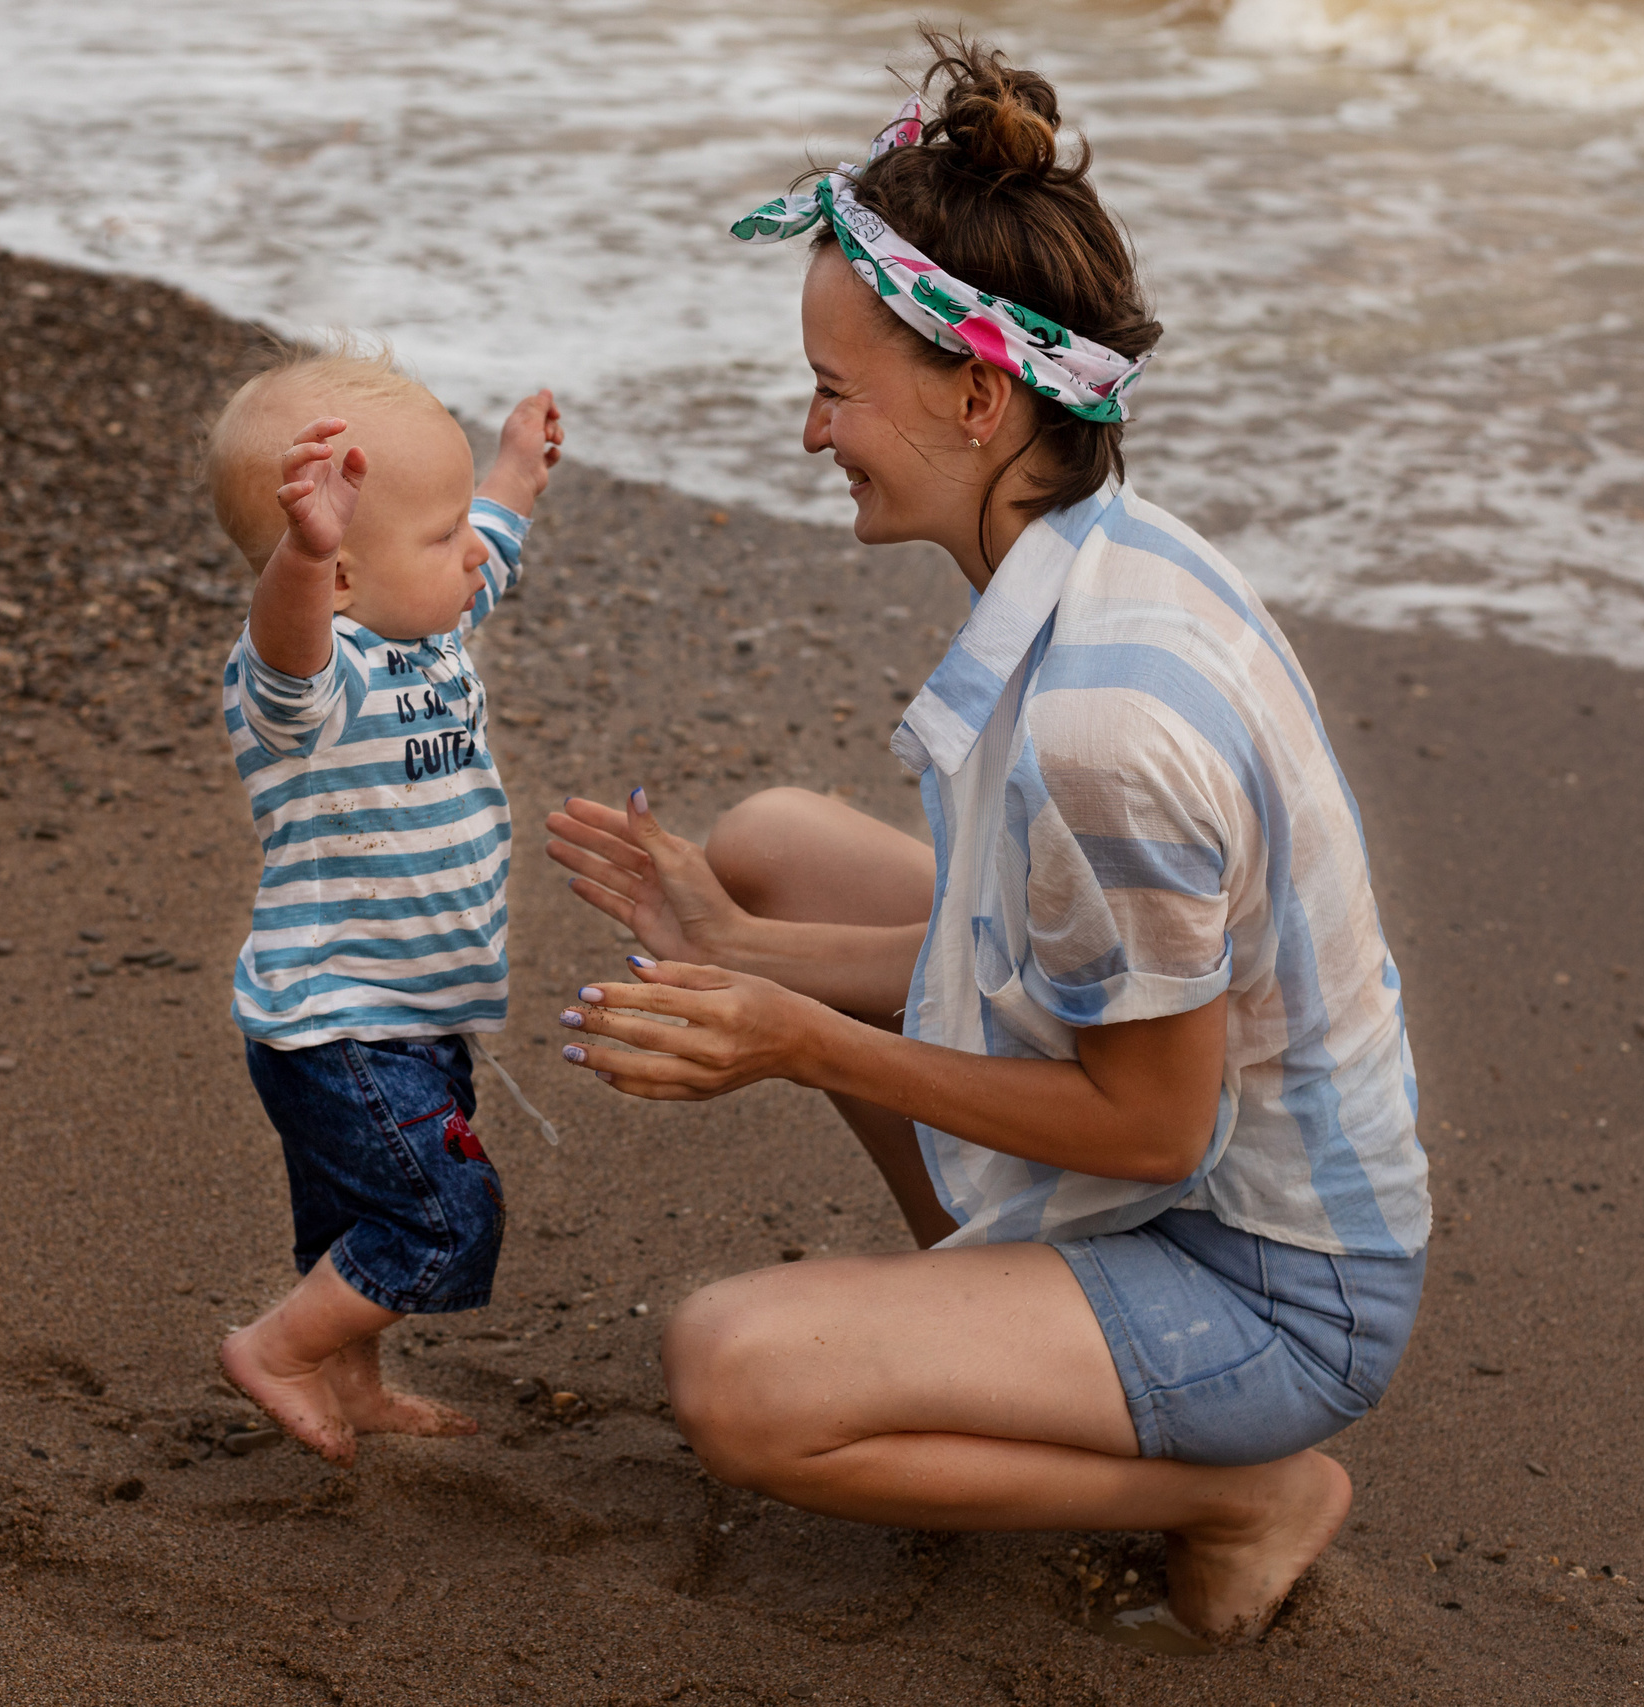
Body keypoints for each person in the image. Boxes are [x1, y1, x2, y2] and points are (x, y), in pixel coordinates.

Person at [543, 36, 1428, 1645]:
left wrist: (800, 1036)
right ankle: (999, 1309)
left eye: (832, 392)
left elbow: (1158, 1132)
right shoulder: (1114, 545)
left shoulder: (1106, 731)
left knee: (738, 1379)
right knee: (771, 850)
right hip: (1189, 1156)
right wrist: (741, 950)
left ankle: (1244, 1485)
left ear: (976, 389)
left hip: (1275, 1283)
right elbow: (1022, 951)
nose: (811, 436)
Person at [206, 346, 563, 1466]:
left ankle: (348, 1374)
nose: (470, 555)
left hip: (414, 1011)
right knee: (441, 1216)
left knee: (354, 1222)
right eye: (439, 536)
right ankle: (278, 1349)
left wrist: (509, 475)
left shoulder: (433, 619)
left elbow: (483, 548)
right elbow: (286, 647)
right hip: (342, 1023)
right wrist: (303, 559)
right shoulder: (315, 684)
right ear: (341, 576)